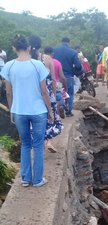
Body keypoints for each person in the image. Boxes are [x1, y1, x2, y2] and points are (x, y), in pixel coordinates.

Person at [0, 34, 52, 187]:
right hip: (38, 111)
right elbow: (44, 91)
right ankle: (37, 180)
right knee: (38, 144)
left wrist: (12, 110)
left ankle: (25, 178)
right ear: (29, 47)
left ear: (14, 48)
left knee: (25, 144)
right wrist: (50, 110)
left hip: (19, 111)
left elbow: (8, 92)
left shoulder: (9, 66)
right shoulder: (37, 65)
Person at [28, 35, 63, 153]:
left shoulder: (26, 60)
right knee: (50, 116)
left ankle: (40, 142)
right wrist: (53, 94)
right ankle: (48, 141)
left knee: (36, 118)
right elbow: (53, 79)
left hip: (32, 92)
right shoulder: (47, 58)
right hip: (46, 92)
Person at [54, 37, 82, 117]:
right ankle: (69, 112)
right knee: (69, 94)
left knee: (58, 94)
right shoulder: (72, 52)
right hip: (69, 77)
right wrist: (74, 71)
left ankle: (60, 108)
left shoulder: (55, 51)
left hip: (57, 78)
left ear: (61, 42)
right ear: (68, 43)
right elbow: (78, 66)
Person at [44, 46, 68, 119]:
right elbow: (62, 76)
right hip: (56, 82)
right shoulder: (57, 62)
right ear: (52, 53)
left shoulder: (42, 61)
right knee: (58, 96)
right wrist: (65, 86)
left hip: (46, 83)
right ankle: (61, 106)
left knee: (48, 98)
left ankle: (50, 113)